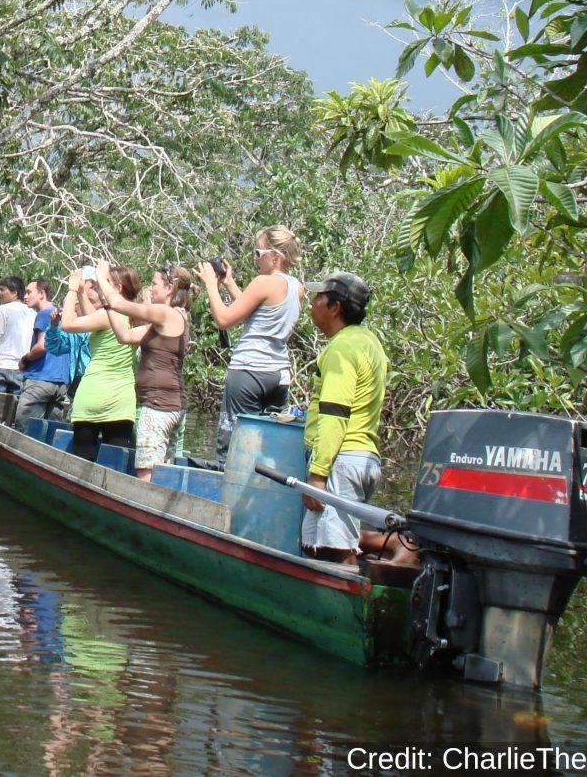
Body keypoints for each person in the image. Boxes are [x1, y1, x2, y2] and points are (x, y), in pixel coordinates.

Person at [299, 271, 388, 565]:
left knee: (329, 552)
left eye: (318, 298)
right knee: (335, 544)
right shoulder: (370, 342)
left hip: (341, 459)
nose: (312, 303)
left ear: (335, 307)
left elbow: (335, 415)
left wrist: (318, 475)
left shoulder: (341, 348)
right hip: (364, 458)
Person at [198, 225, 304, 455]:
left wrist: (210, 285)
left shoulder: (263, 282)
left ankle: (226, 488)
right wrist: (228, 283)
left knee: (233, 446)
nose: (256, 260)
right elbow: (256, 310)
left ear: (274, 256)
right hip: (278, 376)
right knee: (266, 450)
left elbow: (225, 319)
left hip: (248, 372)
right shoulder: (297, 288)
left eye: (258, 253)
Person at [96, 262, 194, 482]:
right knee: (162, 470)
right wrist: (108, 306)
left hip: (158, 406)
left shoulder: (165, 313)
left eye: (154, 283)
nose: (151, 289)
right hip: (168, 404)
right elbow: (125, 336)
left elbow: (119, 302)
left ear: (169, 288)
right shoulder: (165, 320)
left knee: (146, 471)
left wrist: (102, 278)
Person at [59, 265, 141, 462]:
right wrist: (81, 292)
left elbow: (68, 324)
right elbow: (94, 318)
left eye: (102, 285)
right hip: (122, 398)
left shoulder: (107, 316)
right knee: (115, 462)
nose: (97, 290)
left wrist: (71, 290)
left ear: (117, 289)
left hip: (94, 393)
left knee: (82, 459)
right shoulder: (136, 314)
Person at [15, 278, 70, 429]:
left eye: (28, 292)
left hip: (40, 380)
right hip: (60, 383)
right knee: (52, 432)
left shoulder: (44, 314)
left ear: (42, 294)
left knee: (24, 429)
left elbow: (42, 346)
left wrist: (25, 360)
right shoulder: (61, 315)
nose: (25, 296)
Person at [0, 275, 35, 412]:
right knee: (12, 412)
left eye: (2, 290)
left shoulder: (3, 310)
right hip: (20, 369)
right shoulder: (33, 312)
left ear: (15, 292)